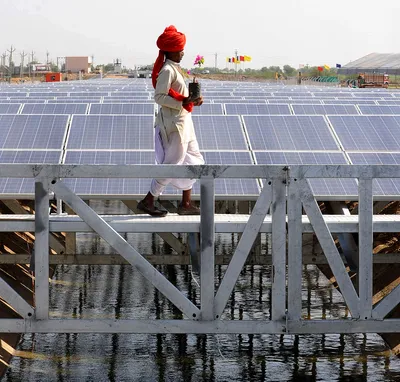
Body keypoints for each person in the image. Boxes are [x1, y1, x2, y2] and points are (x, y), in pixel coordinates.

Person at [137, 25, 205, 217]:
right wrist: (182, 102)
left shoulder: (176, 69)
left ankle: (186, 203)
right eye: (179, 49)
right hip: (174, 124)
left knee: (194, 159)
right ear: (171, 51)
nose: (183, 52)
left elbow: (181, 97)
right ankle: (149, 200)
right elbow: (159, 97)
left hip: (184, 121)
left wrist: (192, 100)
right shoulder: (168, 70)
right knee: (173, 162)